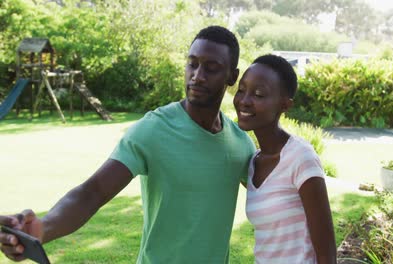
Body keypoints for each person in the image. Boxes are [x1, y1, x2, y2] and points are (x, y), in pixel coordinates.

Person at [0, 25, 255, 263]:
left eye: (211, 68)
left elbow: (275, 195)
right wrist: (43, 228)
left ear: (232, 77)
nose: (197, 76)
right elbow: (93, 192)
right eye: (192, 64)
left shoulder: (240, 144)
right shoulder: (154, 129)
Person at [233, 54, 337, 263]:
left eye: (259, 94)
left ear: (285, 105)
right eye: (242, 90)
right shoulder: (253, 162)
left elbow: (327, 253)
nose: (244, 101)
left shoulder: (301, 158)